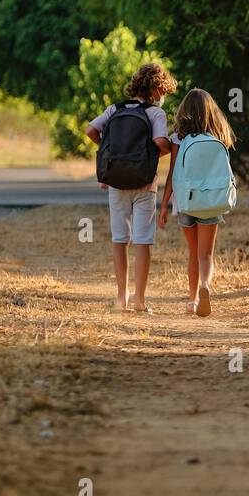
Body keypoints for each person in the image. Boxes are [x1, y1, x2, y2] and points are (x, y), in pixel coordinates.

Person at [86, 63, 176, 312]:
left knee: (119, 238)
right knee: (143, 240)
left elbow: (90, 130)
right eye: (164, 92)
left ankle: (121, 298)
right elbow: (159, 141)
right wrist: (170, 149)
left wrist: (110, 150)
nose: (164, 97)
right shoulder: (155, 114)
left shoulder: (115, 109)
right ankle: (140, 300)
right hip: (145, 182)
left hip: (116, 180)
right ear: (157, 89)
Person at [158, 88, 236, 317]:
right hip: (211, 200)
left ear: (184, 112)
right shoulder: (218, 136)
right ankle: (205, 286)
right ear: (211, 112)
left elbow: (172, 174)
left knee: (193, 252)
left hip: (186, 202)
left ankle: (192, 300)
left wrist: (164, 205)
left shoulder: (178, 138)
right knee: (206, 255)